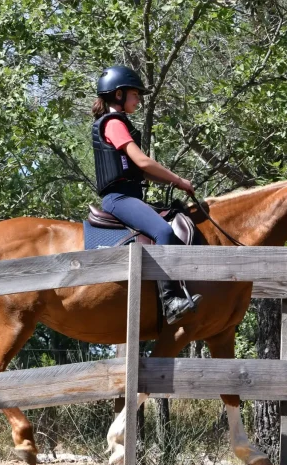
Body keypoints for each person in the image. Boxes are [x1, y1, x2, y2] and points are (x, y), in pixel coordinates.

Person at [91, 65, 202, 325]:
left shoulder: (119, 122)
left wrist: (175, 183)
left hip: (129, 194)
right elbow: (142, 161)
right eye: (135, 94)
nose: (138, 99)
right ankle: (170, 302)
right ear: (118, 94)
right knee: (164, 232)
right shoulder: (114, 123)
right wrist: (178, 179)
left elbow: (142, 172)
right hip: (119, 198)